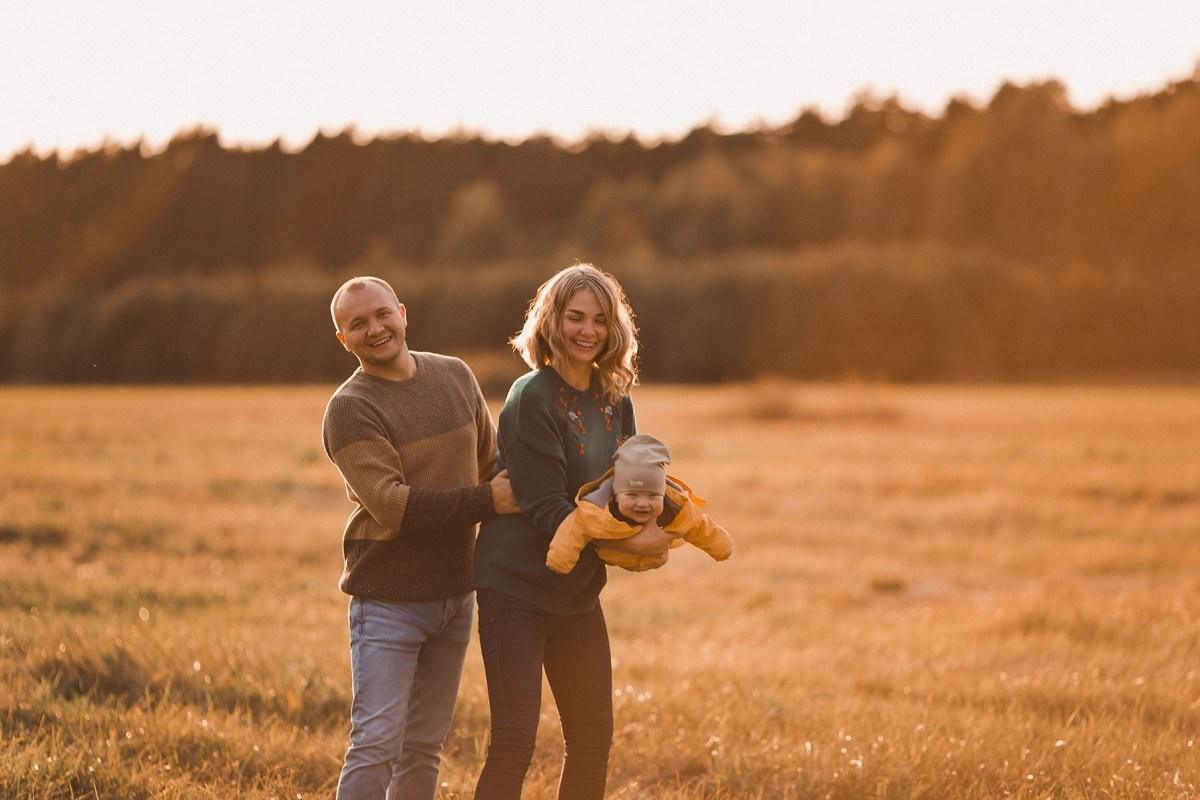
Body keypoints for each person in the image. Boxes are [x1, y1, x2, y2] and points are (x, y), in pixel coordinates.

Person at [472, 263, 674, 799]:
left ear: (615, 329)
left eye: (600, 320)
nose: (588, 331)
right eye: (576, 317)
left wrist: (666, 518)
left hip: (579, 590)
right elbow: (545, 506)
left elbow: (624, 486)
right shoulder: (529, 396)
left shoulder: (616, 398)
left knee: (592, 739)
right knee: (514, 742)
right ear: (551, 321)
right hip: (513, 586)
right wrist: (633, 545)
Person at [321, 276, 519, 800]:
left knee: (424, 746)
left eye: (382, 314)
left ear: (403, 313)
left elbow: (492, 464)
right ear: (343, 339)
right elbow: (393, 505)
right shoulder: (350, 408)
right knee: (376, 744)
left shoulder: (454, 376)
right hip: (388, 601)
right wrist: (487, 501)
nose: (375, 328)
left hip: (456, 595)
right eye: (357, 323)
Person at [545, 433, 733, 574]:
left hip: (655, 557)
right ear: (616, 495)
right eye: (632, 495)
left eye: (652, 496)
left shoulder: (676, 507)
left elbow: (700, 525)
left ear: (662, 495)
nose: (643, 504)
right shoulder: (596, 510)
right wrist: (560, 561)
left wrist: (721, 546)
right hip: (612, 556)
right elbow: (572, 530)